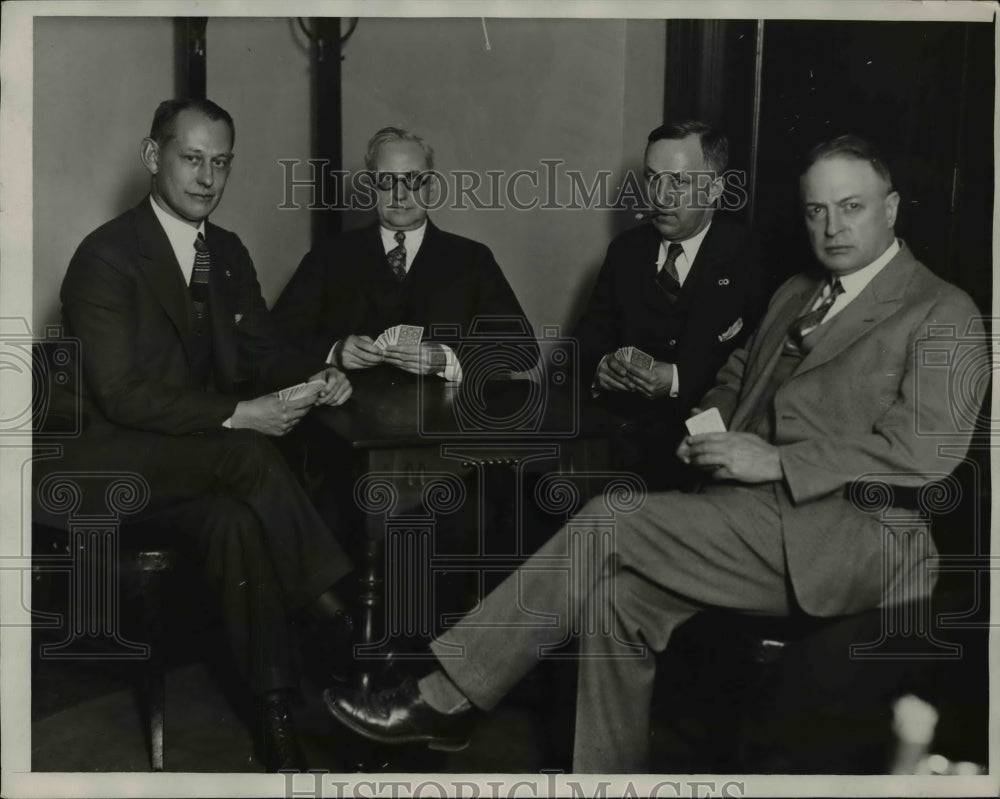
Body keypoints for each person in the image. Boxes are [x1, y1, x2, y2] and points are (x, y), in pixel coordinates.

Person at [322, 135, 986, 772]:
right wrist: (708, 434)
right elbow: (735, 377)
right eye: (816, 210)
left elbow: (928, 451)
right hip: (749, 519)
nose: (832, 226)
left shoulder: (942, 310)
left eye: (851, 206)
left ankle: (447, 696)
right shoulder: (798, 291)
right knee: (615, 601)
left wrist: (777, 462)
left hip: (853, 539)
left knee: (611, 520)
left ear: (890, 208)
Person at [50, 98, 355, 772]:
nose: (207, 177)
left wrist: (321, 371)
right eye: (192, 158)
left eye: (221, 162)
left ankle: (276, 721)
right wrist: (239, 414)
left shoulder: (226, 252)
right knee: (247, 451)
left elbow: (260, 354)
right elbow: (122, 394)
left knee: (234, 522)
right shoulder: (105, 256)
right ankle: (340, 619)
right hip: (100, 466)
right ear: (152, 156)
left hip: (185, 465)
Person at [572, 120, 769, 486]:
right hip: (619, 449)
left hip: (706, 457)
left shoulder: (752, 257)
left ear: (714, 189)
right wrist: (601, 367)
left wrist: (677, 379)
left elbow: (759, 365)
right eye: (652, 178)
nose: (660, 197)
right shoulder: (626, 251)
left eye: (679, 181)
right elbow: (586, 339)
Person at [271, 126, 536, 382]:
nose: (400, 194)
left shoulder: (472, 259)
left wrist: (445, 359)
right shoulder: (328, 256)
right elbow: (271, 341)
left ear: (432, 188)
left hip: (444, 412)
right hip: (350, 410)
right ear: (371, 188)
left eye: (414, 179)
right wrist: (335, 351)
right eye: (387, 180)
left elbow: (523, 349)